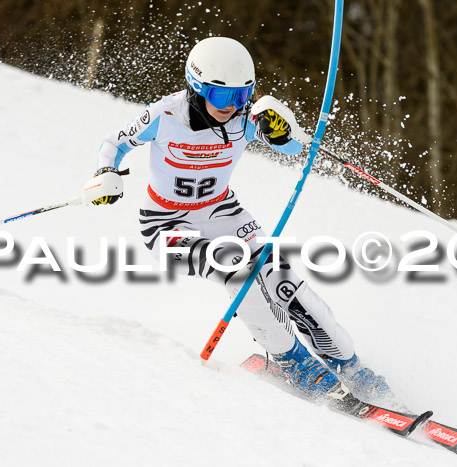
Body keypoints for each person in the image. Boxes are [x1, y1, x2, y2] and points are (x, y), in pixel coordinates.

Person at [81, 36, 389, 401]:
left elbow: (291, 145)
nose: (232, 107)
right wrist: (106, 173)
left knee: (278, 273)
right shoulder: (165, 115)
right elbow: (114, 143)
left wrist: (281, 132)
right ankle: (292, 360)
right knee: (234, 267)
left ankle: (346, 361)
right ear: (196, 87)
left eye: (242, 97)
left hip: (222, 212)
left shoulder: (246, 118)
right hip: (165, 224)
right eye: (223, 97)